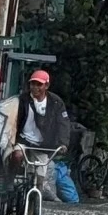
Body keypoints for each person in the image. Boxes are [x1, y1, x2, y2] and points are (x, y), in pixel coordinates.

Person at [11, 68, 78, 207]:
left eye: (39, 84)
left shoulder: (55, 102)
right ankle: (11, 182)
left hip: (43, 145)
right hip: (23, 140)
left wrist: (63, 143)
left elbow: (63, 124)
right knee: (17, 155)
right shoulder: (22, 99)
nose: (35, 87)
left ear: (46, 86)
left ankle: (35, 212)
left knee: (39, 180)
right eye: (33, 84)